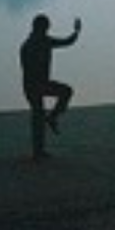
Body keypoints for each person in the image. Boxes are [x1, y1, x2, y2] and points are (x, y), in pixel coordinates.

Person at [19, 14, 82, 160]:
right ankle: (38, 151)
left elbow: (67, 41)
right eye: (45, 28)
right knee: (38, 116)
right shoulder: (29, 45)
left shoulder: (44, 41)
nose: (46, 30)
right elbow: (27, 68)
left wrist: (76, 31)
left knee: (65, 93)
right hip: (32, 85)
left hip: (39, 84)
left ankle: (52, 118)